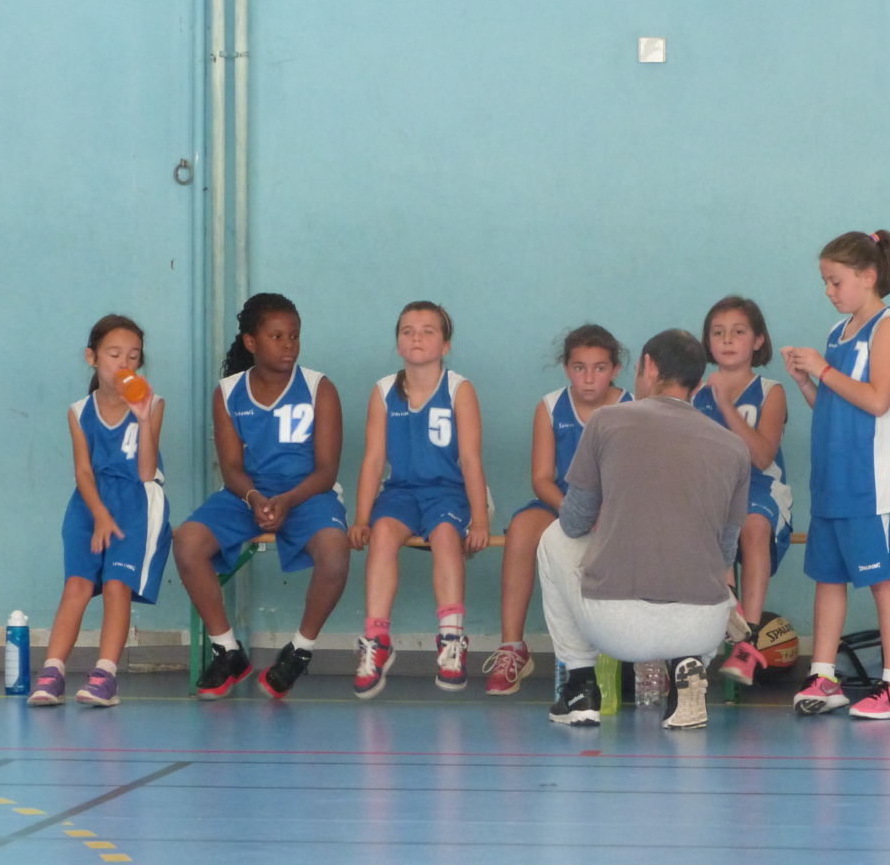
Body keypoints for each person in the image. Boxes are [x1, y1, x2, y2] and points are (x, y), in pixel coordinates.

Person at [539, 329, 751, 730]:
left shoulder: (606, 421)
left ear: (648, 367)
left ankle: (581, 688)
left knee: (553, 538)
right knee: (706, 572)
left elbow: (575, 521)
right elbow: (725, 553)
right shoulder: (733, 446)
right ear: (698, 383)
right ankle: (689, 663)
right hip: (701, 625)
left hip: (619, 628)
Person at [173, 293, 351, 701]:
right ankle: (227, 650)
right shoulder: (228, 393)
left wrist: (286, 501)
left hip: (308, 493)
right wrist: (255, 497)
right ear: (251, 342)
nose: (289, 345)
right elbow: (231, 468)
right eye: (277, 336)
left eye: (294, 336)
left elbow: (327, 470)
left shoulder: (319, 388)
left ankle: (299, 651)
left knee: (335, 551)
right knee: (187, 542)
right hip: (246, 495)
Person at [780, 230, 890, 720]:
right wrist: (807, 382)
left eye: (835, 281)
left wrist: (823, 370)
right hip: (833, 479)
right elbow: (834, 407)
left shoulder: (889, 327)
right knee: (829, 577)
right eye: (825, 281)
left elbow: (878, 400)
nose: (829, 291)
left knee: (884, 580)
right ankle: (824, 676)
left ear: (868, 276)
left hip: (871, 481)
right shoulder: (837, 334)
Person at [349, 302, 491, 698]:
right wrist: (361, 516)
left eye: (428, 331)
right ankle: (377, 640)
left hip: (449, 492)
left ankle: (451, 639)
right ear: (398, 343)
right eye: (408, 330)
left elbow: (471, 459)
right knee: (381, 533)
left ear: (445, 345)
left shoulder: (459, 389)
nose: (417, 337)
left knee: (445, 535)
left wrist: (480, 519)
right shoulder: (383, 391)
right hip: (401, 492)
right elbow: (374, 460)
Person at [28, 315, 170, 709]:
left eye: (133, 356)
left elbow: (146, 471)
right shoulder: (78, 411)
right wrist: (99, 515)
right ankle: (52, 672)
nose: (124, 363)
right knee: (76, 584)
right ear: (92, 357)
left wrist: (143, 418)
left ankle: (105, 675)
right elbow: (83, 471)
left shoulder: (154, 405)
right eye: (114, 354)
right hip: (89, 503)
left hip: (136, 502)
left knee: (115, 586)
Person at [489, 324, 630, 695]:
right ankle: (512, 648)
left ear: (615, 369)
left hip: (616, 505)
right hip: (562, 501)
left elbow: (638, 476)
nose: (589, 377)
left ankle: (650, 653)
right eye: (579, 367)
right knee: (521, 529)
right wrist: (573, 510)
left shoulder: (632, 408)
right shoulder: (550, 406)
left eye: (599, 368)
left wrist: (605, 511)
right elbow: (541, 478)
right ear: (567, 368)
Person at [694, 297, 793, 686]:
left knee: (751, 524)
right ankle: (723, 603)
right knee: (687, 520)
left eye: (738, 332)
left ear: (758, 340)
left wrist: (726, 406)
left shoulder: (770, 391)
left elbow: (762, 455)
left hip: (759, 488)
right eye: (717, 332)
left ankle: (747, 641)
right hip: (711, 493)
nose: (727, 339)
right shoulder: (694, 393)